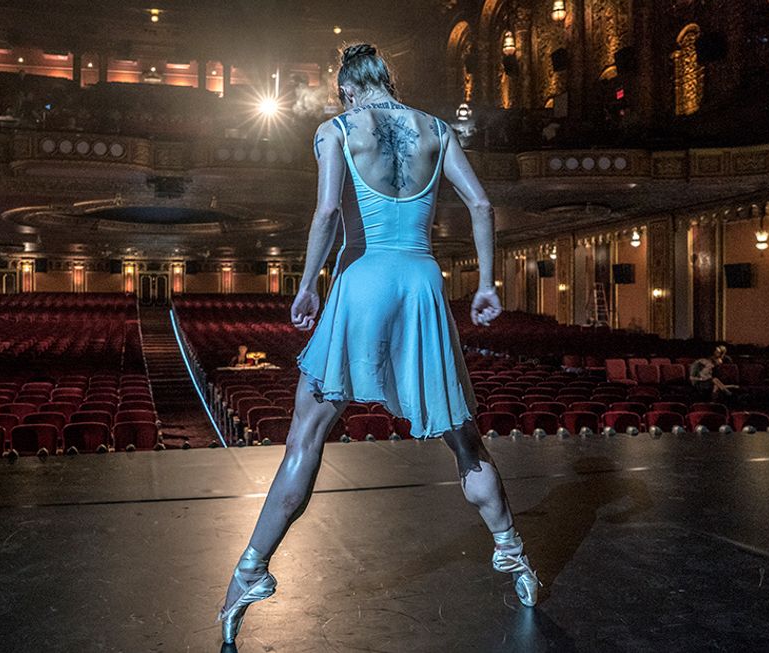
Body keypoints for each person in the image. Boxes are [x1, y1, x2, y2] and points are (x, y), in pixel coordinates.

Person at [216, 43, 539, 645]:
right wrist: (489, 284)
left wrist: (309, 285)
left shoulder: (338, 128)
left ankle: (251, 571)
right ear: (387, 79)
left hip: (363, 284)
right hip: (421, 284)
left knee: (305, 438)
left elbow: (329, 213)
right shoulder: (437, 130)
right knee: (464, 438)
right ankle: (511, 552)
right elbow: (482, 204)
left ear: (346, 89)